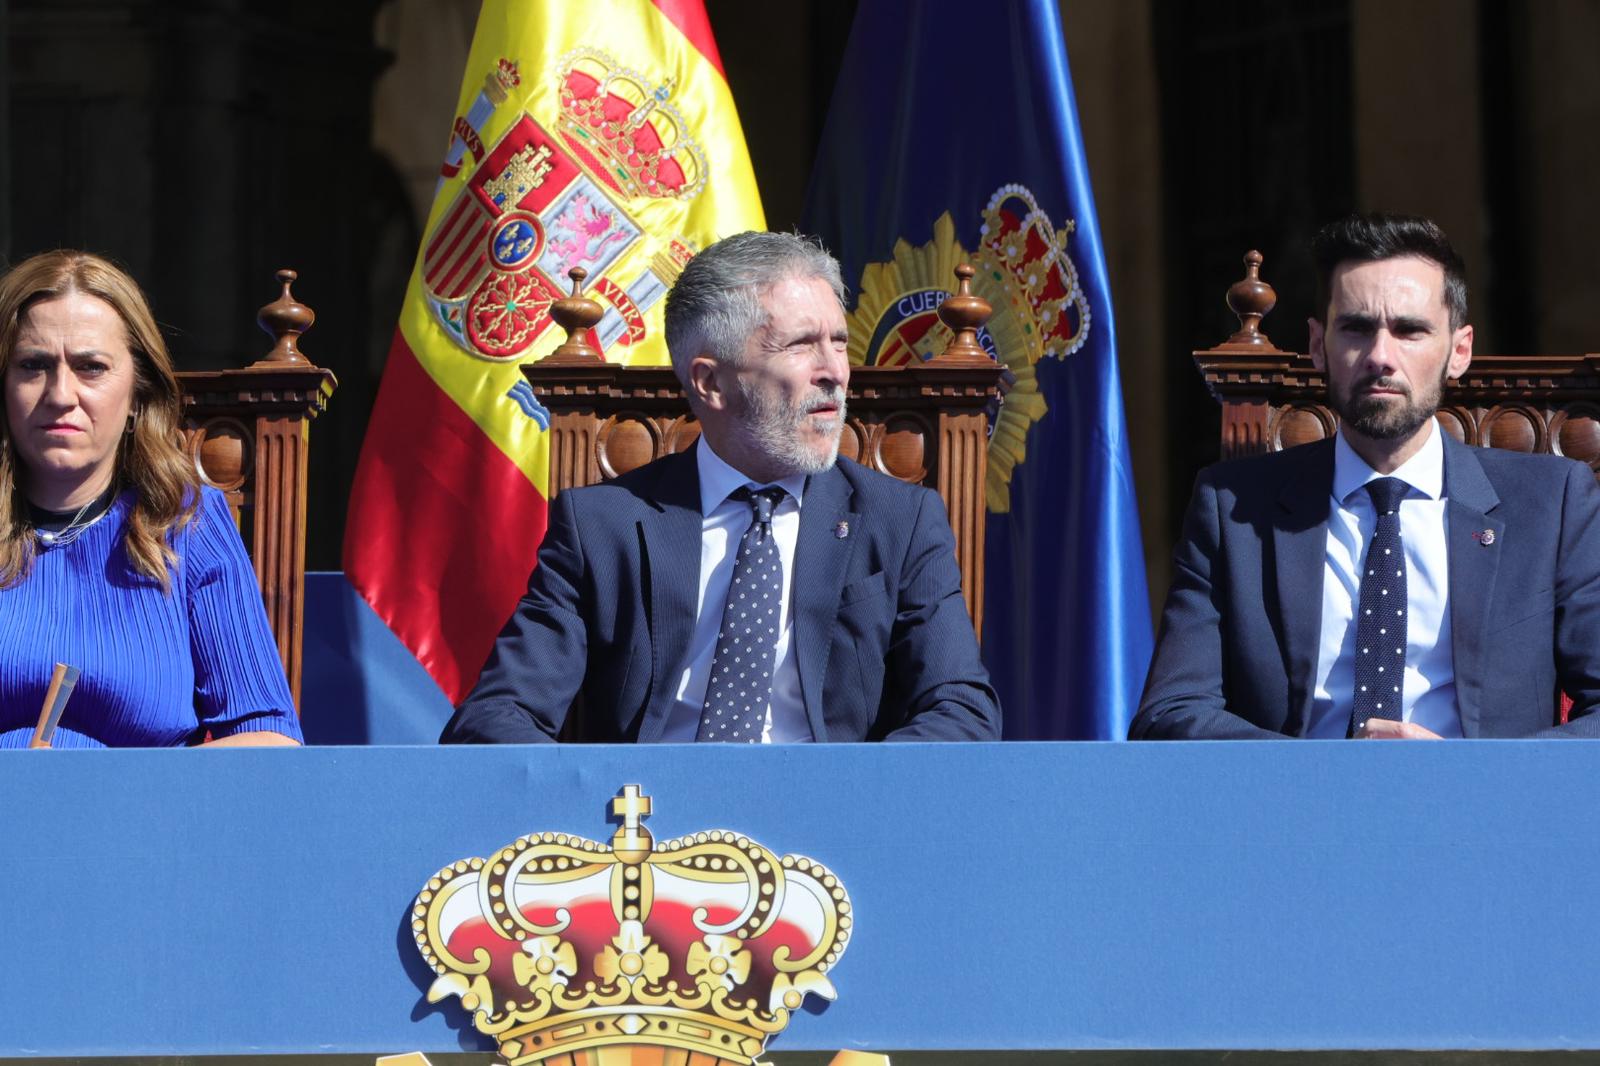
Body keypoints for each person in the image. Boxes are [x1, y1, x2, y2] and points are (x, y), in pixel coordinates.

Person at [441, 231, 1000, 743]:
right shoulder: (601, 527)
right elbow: (498, 714)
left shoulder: (900, 521)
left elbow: (961, 710)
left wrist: (846, 799)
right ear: (710, 382)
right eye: (802, 345)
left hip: (829, 829)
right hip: (649, 831)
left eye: (839, 341)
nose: (835, 370)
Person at [1133, 212, 1600, 740]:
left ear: (1459, 350)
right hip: (1297, 814)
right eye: (1356, 328)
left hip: (1479, 816)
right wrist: (1331, 777)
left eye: (1410, 330)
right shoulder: (1233, 509)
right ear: (1317, 346)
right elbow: (1169, 715)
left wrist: (1466, 776)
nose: (1381, 356)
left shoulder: (1552, 505)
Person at [0, 250, 301, 748]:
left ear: (138, 392)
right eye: (33, 365)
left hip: (146, 822)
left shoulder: (187, 519)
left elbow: (267, 740)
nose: (60, 393)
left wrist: (130, 800)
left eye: (90, 367)